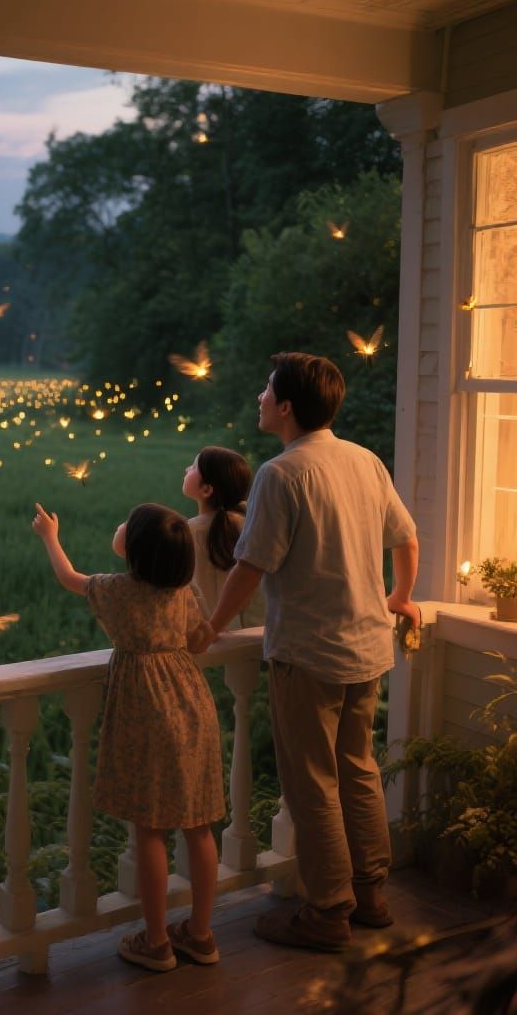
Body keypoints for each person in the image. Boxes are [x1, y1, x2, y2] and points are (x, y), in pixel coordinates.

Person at [194, 352, 420, 953]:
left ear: (287, 406)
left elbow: (251, 565)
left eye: (268, 390)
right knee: (359, 771)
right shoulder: (364, 461)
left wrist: (212, 625)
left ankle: (327, 911)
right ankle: (371, 895)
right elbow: (407, 536)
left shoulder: (282, 473)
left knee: (314, 783)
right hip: (369, 646)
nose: (261, 398)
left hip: (309, 652)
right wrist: (397, 597)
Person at [31, 500, 224, 972]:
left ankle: (156, 942)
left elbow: (70, 577)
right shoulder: (183, 591)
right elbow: (201, 636)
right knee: (199, 824)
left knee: (150, 827)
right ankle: (200, 934)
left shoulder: (119, 590)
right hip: (192, 703)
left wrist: (50, 537)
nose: (118, 528)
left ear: (134, 552)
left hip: (147, 710)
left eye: (126, 527)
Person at [182, 446, 265, 628]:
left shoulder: (192, 531)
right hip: (255, 631)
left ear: (206, 489)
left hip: (213, 634)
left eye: (194, 467)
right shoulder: (249, 522)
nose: (186, 469)